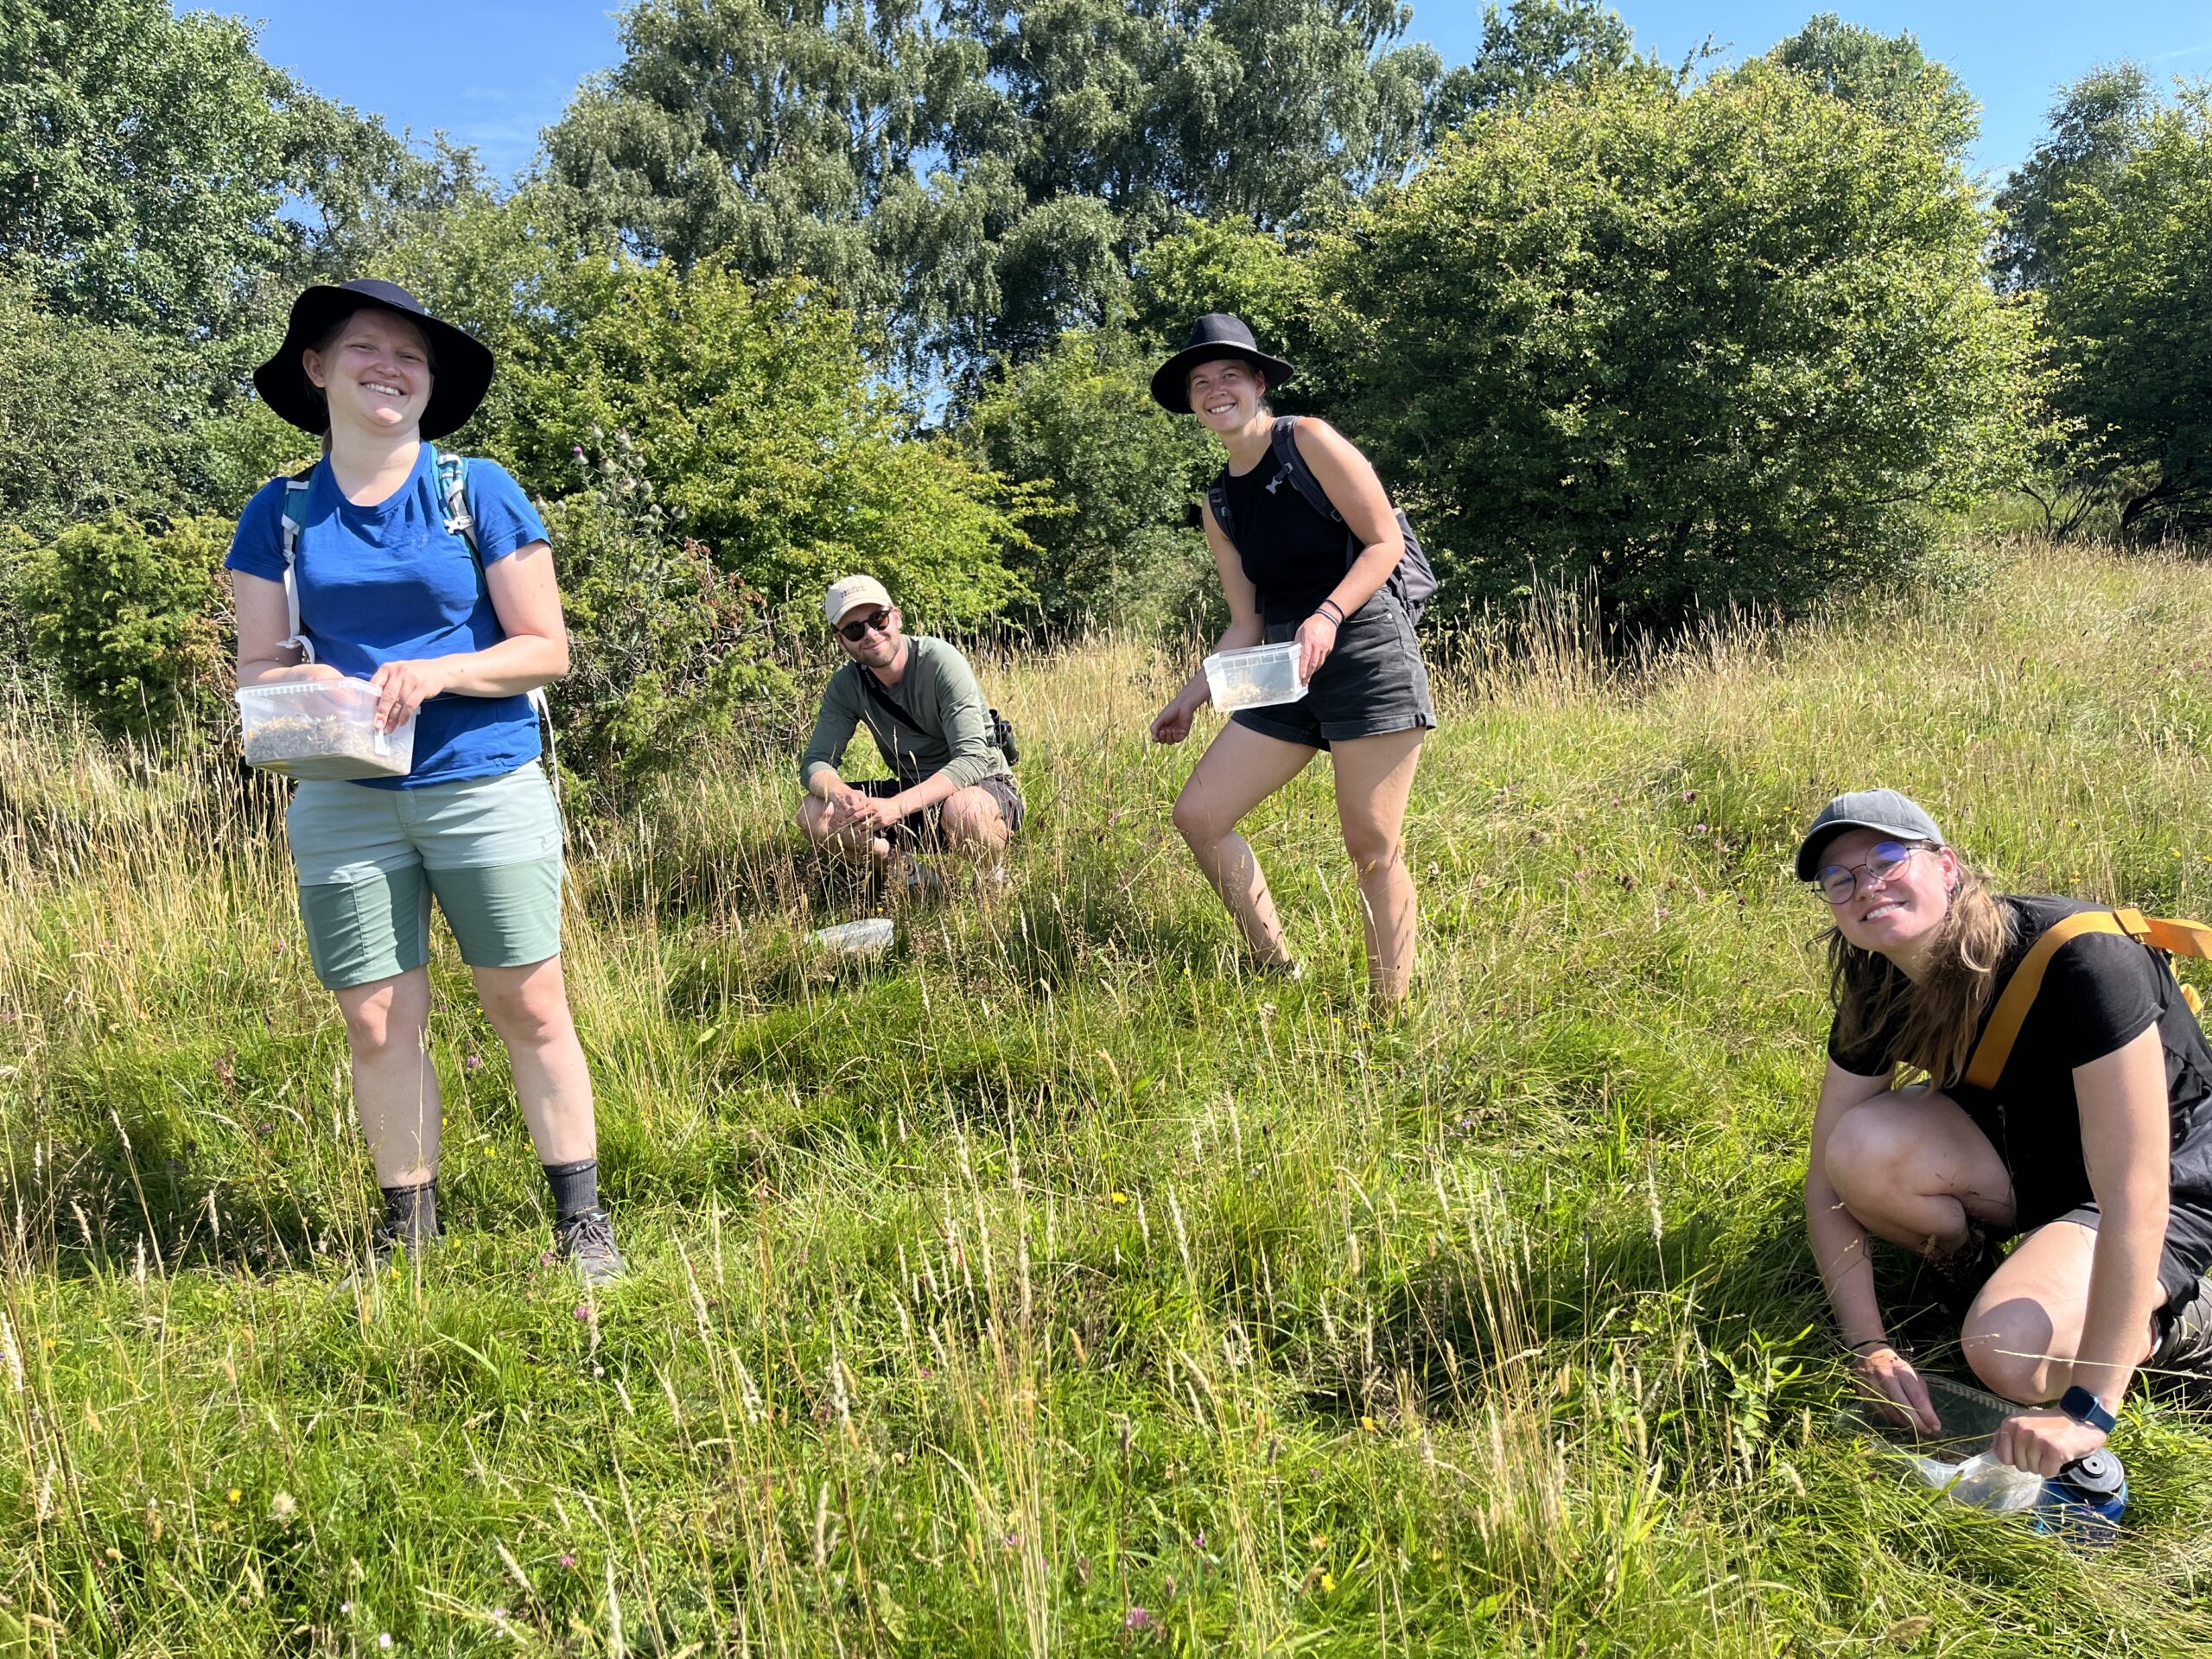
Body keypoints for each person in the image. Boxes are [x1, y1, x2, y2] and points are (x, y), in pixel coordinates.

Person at [226, 278, 622, 1287]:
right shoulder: (276, 516)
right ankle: (409, 1232)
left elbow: (546, 651)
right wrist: (304, 676)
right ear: (316, 368)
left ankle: (581, 1223)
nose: (389, 368)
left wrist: (440, 670)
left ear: (430, 383)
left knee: (526, 1002)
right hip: (343, 798)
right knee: (374, 1021)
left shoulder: (475, 489)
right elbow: (258, 671)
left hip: (482, 779)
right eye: (365, 348)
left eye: (411, 356)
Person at [1800, 789, 2212, 1477]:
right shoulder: (1878, 983)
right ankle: (1981, 1281)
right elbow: (1824, 1180)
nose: (1865, 886)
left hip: (2171, 1179)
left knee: (2006, 1350)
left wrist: (2091, 1407)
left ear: (1947, 867)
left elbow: (2135, 1193)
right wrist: (1868, 1344)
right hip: (2041, 1159)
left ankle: (2182, 1318)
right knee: (1858, 1149)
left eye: (1886, 858)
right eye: (1840, 880)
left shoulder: (2081, 959)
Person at [1145, 315, 1434, 1004]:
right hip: (1283, 668)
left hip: (1366, 653)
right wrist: (1193, 694)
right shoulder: (1219, 504)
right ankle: (1276, 964)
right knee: (1200, 815)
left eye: (1229, 376)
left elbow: (1383, 543)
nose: (1216, 391)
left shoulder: (1307, 440)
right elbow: (1245, 621)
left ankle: (1388, 1011)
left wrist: (1329, 615)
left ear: (1259, 382)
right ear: (1191, 402)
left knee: (1370, 843)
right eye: (1200, 383)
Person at [797, 575, 1023, 884]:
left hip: (982, 787)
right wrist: (843, 795)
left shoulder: (940, 661)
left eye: (878, 619)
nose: (870, 633)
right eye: (854, 628)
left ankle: (992, 879)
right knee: (814, 812)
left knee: (966, 809)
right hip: (913, 790)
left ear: (897, 617)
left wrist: (894, 807)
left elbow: (971, 760)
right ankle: (911, 877)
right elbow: (816, 762)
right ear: (840, 639)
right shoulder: (846, 684)